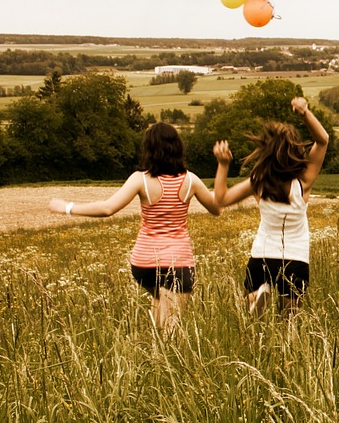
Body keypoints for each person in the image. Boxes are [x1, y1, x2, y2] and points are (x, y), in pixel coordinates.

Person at [48, 122, 221, 330]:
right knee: (172, 327)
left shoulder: (141, 179)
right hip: (178, 263)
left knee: (160, 307)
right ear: (177, 147)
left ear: (148, 149)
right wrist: (223, 166)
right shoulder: (191, 180)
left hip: (144, 265)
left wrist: (67, 207)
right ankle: (167, 359)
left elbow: (107, 208)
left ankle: (155, 352)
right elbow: (216, 208)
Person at [212, 97, 330, 315]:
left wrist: (223, 164)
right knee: (289, 324)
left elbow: (221, 200)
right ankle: (282, 327)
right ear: (296, 152)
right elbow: (323, 140)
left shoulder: (259, 182)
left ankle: (258, 295)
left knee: (254, 316)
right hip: (296, 257)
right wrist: (304, 113)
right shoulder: (302, 182)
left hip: (263, 255)